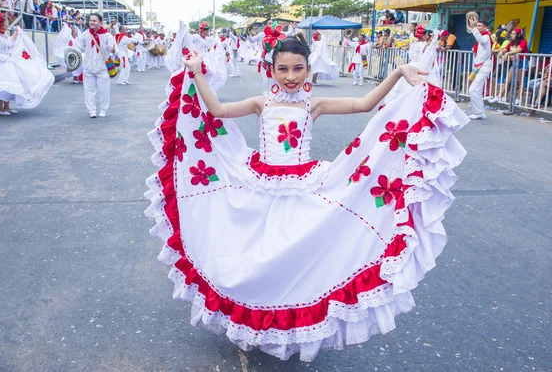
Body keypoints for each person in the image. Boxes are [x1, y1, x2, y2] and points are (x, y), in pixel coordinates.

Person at [145, 27, 469, 362]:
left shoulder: (313, 104)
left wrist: (399, 73)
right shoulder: (261, 102)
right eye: (282, 69)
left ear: (308, 70)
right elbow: (218, 112)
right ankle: (252, 319)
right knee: (258, 254)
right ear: (270, 70)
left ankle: (282, 327)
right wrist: (197, 73)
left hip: (304, 187)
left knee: (293, 256)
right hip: (261, 184)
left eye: (297, 69)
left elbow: (364, 104)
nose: (290, 76)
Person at [75, 14, 116, 118]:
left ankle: (103, 110)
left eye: (94, 20)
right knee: (89, 91)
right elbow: (79, 48)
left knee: (104, 91)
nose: (92, 22)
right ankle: (91, 111)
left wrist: (113, 50)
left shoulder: (107, 36)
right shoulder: (85, 34)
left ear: (100, 22)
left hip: (102, 68)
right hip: (88, 67)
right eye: (90, 20)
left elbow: (114, 49)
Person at [467, 18, 493, 120]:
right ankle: (480, 112)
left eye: (479, 26)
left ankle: (478, 112)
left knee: (473, 90)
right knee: (475, 89)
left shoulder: (486, 36)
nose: (478, 28)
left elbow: (481, 40)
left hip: (484, 66)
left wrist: (473, 28)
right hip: (479, 67)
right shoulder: (483, 37)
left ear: (485, 28)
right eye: (476, 26)